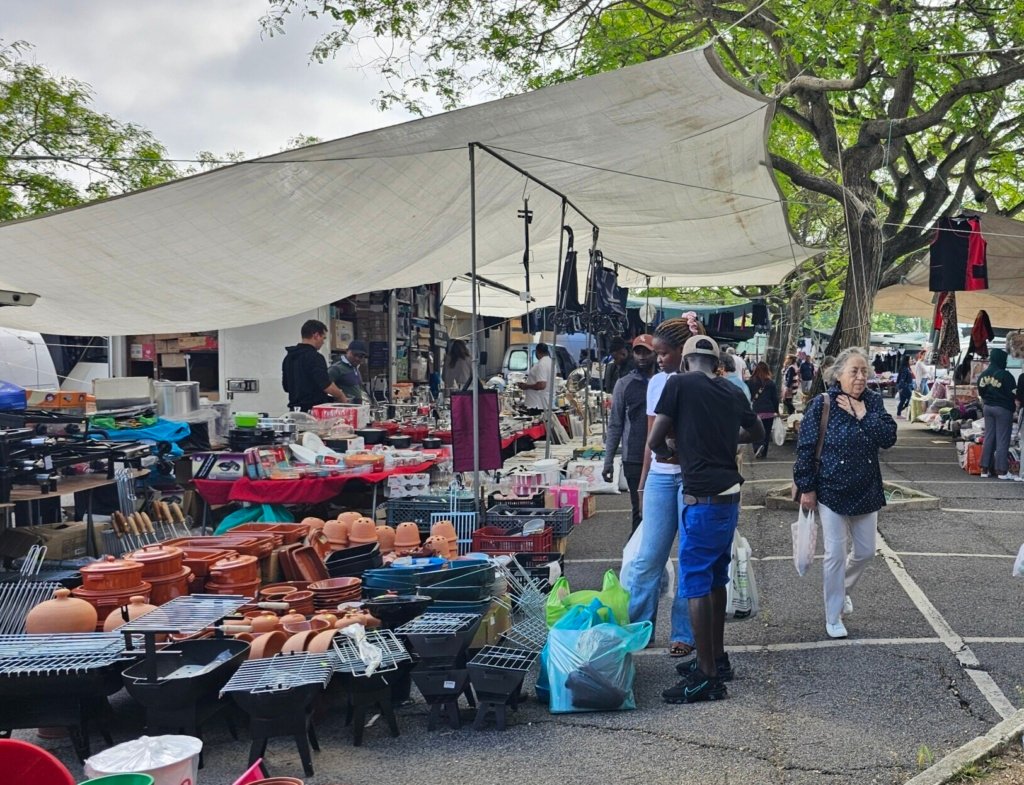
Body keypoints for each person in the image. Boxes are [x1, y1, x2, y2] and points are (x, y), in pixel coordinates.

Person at [650, 334, 763, 703]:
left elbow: (654, 440)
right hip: (729, 497)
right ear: (716, 365)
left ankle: (707, 677)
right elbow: (757, 434)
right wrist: (722, 439)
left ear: (684, 362)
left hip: (701, 500)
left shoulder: (677, 384)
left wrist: (680, 444)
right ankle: (715, 657)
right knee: (715, 577)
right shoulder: (732, 391)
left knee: (696, 583)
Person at [793, 347, 897, 639]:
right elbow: (805, 448)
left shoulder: (873, 403)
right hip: (831, 489)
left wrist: (863, 414)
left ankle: (842, 590)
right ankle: (833, 615)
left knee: (865, 552)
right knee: (835, 554)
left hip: (865, 489)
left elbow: (888, 438)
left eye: (864, 371)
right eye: (854, 371)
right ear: (838, 375)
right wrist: (807, 487)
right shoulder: (822, 404)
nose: (861, 377)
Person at [627, 318, 695, 659]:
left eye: (665, 353)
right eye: (656, 353)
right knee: (647, 558)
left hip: (694, 477)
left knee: (689, 558)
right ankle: (638, 628)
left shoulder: (702, 382)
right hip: (661, 478)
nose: (659, 359)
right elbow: (649, 441)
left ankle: (683, 633)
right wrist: (642, 484)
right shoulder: (656, 384)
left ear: (684, 350)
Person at [603, 335, 656, 534]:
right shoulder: (624, 384)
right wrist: (608, 461)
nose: (641, 356)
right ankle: (633, 560)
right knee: (639, 511)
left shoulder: (665, 381)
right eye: (638, 351)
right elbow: (615, 424)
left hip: (661, 458)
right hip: (633, 457)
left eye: (646, 352)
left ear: (655, 353)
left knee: (659, 512)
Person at [282, 319, 350, 411]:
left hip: (294, 411)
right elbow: (326, 386)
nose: (323, 342)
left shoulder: (289, 357)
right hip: (313, 412)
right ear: (316, 335)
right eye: (323, 338)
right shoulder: (315, 357)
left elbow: (286, 387)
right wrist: (341, 396)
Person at [977, 348, 1019, 480]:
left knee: (989, 437)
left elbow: (981, 391)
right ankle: (1001, 470)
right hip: (1003, 409)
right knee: (1002, 439)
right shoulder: (1006, 375)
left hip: (988, 407)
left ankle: (984, 468)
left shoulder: (983, 374)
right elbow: (1013, 393)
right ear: (1000, 360)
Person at [746, 361, 780, 459]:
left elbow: (748, 396)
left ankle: (757, 447)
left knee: (755, 431)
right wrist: (776, 411)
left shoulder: (750, 382)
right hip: (769, 411)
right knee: (766, 432)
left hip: (756, 411)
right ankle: (764, 451)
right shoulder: (771, 383)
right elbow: (775, 398)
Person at [328, 339, 368, 404]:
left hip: (356, 408)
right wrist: (340, 396)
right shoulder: (336, 368)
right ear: (347, 351)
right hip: (344, 408)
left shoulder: (355, 368)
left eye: (360, 356)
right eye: (354, 355)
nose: (357, 358)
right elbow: (325, 385)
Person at [521, 343, 554, 416]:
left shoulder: (542, 364)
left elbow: (541, 385)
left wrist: (526, 386)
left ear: (537, 351)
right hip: (546, 402)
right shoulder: (551, 362)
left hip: (537, 404)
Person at [895, 354, 914, 419]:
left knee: (903, 400)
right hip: (905, 387)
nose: (912, 360)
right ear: (907, 360)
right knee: (910, 398)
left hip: (906, 386)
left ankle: (899, 413)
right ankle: (900, 412)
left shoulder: (907, 368)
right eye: (910, 359)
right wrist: (901, 388)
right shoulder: (905, 369)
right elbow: (902, 379)